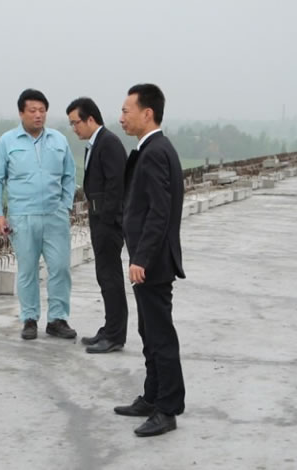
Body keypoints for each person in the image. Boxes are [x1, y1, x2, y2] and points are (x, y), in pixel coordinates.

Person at [114, 84, 186, 437]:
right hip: (148, 260)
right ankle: (152, 396)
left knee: (160, 336)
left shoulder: (156, 152)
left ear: (147, 113)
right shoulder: (151, 148)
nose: (121, 117)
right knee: (149, 332)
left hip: (153, 263)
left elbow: (160, 212)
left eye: (126, 110)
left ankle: (167, 409)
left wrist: (140, 257)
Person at [0, 88, 77, 341]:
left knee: (60, 268)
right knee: (27, 270)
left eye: (42, 110)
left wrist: (65, 205)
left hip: (54, 215)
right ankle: (29, 318)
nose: (38, 115)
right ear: (21, 113)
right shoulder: (7, 142)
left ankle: (57, 318)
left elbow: (69, 175)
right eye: (33, 110)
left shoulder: (59, 140)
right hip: (22, 217)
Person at [66, 97, 129, 354]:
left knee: (110, 277)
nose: (74, 128)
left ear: (90, 119)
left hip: (107, 222)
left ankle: (115, 335)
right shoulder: (95, 143)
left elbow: (116, 185)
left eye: (76, 123)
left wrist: (106, 222)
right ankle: (110, 327)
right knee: (104, 276)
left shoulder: (109, 143)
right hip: (98, 218)